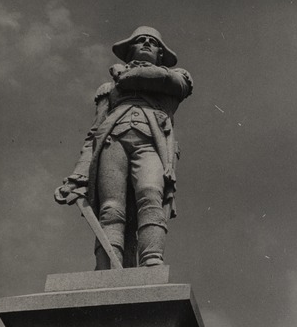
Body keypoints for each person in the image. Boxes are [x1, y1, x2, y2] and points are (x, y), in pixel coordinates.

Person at [55, 26, 193, 268]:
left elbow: (168, 82)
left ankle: (151, 259)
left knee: (150, 194)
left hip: (152, 143)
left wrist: (124, 76)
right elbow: (94, 133)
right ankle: (109, 265)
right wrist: (78, 174)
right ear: (131, 49)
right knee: (111, 208)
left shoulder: (176, 77)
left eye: (153, 42)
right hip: (112, 140)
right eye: (141, 41)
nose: (148, 44)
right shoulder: (108, 89)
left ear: (161, 53)